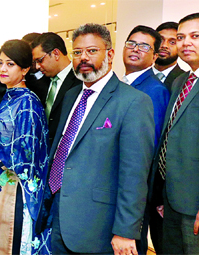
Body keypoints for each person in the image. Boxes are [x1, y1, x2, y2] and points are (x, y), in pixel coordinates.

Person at [46, 23, 154, 254]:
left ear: (110, 54)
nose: (83, 58)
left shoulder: (133, 102)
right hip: (58, 213)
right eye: (77, 52)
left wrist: (126, 230)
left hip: (98, 226)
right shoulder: (71, 95)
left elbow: (134, 174)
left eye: (92, 51)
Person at [0, 39, 50, 255]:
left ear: (24, 69)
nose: (2, 69)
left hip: (15, 192)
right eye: (0, 62)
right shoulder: (10, 97)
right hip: (0, 187)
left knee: (7, 245)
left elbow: (27, 153)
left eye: (10, 64)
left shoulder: (27, 102)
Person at [156, 12, 199, 254]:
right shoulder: (180, 81)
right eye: (181, 37)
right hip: (171, 199)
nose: (186, 43)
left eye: (195, 36)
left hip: (197, 205)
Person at [122, 24, 171, 255]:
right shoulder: (121, 83)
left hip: (134, 187)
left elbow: (149, 147)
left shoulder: (154, 89)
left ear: (154, 55)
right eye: (131, 43)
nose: (135, 49)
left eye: (144, 46)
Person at [30, 32, 83, 146]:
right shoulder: (40, 83)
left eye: (40, 60)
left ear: (56, 53)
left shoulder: (80, 82)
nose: (38, 67)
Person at [153, 21, 188, 92]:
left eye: (172, 42)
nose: (164, 46)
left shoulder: (185, 80)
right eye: (160, 40)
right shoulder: (140, 74)